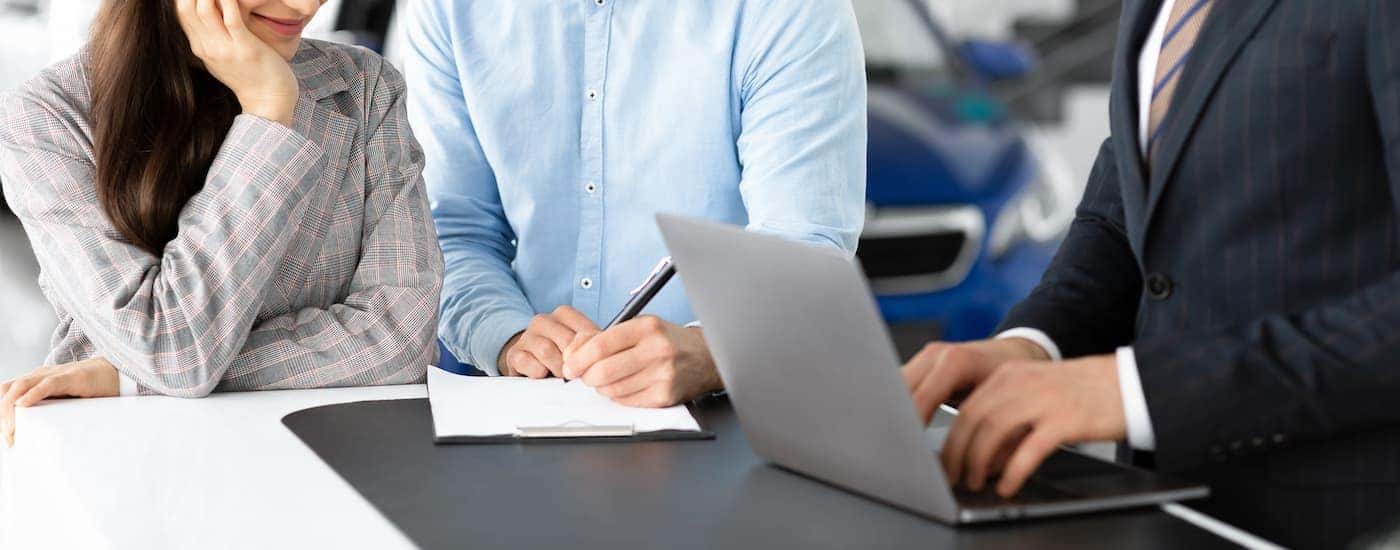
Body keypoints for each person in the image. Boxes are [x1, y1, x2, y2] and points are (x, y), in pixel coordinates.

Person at [901, 1, 1400, 547]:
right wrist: (1034, 344)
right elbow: (1126, 215)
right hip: (1159, 504)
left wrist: (1142, 393)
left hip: (1336, 517)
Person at [0, 0, 444, 445]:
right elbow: (176, 349)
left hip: (330, 459)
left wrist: (127, 377)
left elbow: (401, 339)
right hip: (127, 457)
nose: (307, 4)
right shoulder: (47, 118)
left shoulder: (364, 87)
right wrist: (269, 112)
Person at [404, 0, 867, 408]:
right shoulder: (447, 9)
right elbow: (454, 233)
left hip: (728, 422)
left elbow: (801, 249)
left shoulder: (792, 9)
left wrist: (715, 352)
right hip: (524, 412)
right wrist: (508, 336)